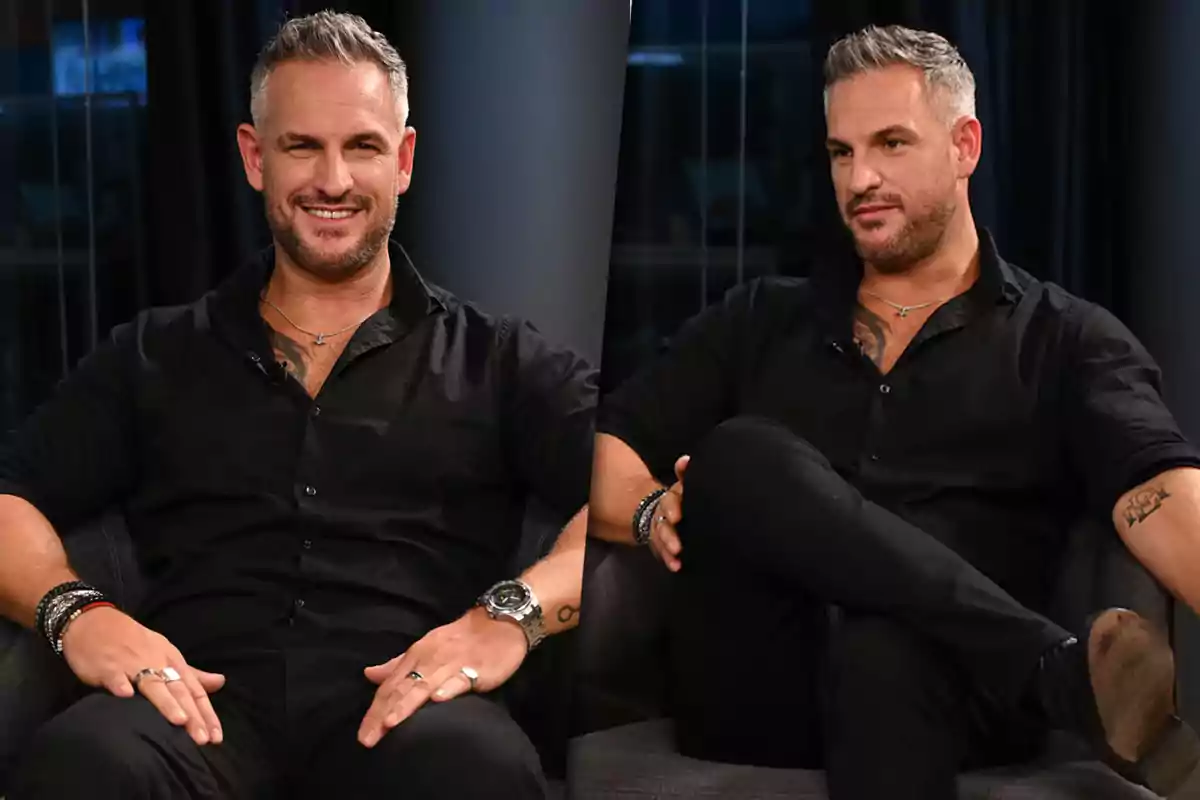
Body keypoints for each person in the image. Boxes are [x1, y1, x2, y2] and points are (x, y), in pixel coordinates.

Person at [586, 23, 1200, 800]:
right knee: (740, 456)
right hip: (761, 682)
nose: (861, 178)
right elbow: (601, 444)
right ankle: (1053, 667)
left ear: (965, 146)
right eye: (843, 152)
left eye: (891, 144)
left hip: (957, 686)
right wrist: (649, 510)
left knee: (888, 643)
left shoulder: (1063, 339)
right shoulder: (763, 318)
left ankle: (1030, 667)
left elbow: (1158, 493)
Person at [0, 11, 594, 800]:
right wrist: (77, 612)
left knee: (478, 771)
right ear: (255, 157)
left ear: (404, 159)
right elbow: (12, 500)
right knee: (82, 764)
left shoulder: (500, 359)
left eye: (362, 147)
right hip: (192, 713)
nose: (334, 181)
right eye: (301, 147)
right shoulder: (154, 354)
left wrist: (510, 614)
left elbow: (622, 482)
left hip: (408, 711)